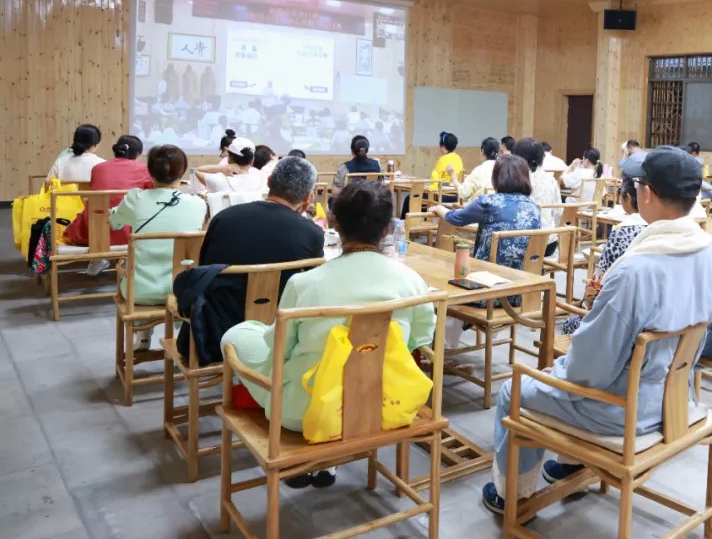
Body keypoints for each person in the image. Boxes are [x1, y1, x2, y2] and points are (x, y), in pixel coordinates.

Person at [481, 146, 712, 512]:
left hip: (624, 414)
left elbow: (588, 370)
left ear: (647, 193)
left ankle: (511, 496)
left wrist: (556, 371)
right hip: (680, 403)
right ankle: (571, 464)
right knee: (567, 377)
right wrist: (687, 362)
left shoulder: (634, 272)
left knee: (515, 389)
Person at [221, 180, 435, 488]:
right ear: (387, 229)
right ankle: (329, 463)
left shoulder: (304, 284)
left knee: (238, 335)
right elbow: (419, 339)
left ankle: (313, 453)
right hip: (386, 404)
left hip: (303, 412)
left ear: (335, 223)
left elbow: (279, 350)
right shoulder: (412, 282)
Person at [109, 145, 208, 349]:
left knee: (128, 264)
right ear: (183, 171)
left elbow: (114, 223)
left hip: (139, 291)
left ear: (150, 171)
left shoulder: (135, 199)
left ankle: (143, 334)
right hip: (183, 290)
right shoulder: (197, 204)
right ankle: (183, 341)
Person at [199, 156, 325, 292]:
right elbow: (313, 281)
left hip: (218, 304)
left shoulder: (223, 218)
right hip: (281, 305)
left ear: (269, 181)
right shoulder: (312, 232)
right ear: (307, 197)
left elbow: (204, 267)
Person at [432, 155, 541, 302]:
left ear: (496, 177)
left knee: (439, 275)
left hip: (486, 290)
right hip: (523, 293)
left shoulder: (489, 202)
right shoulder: (533, 207)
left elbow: (457, 218)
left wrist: (439, 209)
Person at [562, 177, 646, 335]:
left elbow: (599, 281)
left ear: (627, 198)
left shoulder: (621, 232)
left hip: (615, 320)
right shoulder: (656, 229)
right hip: (644, 317)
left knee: (570, 323)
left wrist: (585, 306)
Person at [64, 135, 154, 260]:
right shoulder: (144, 169)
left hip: (95, 231)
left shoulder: (98, 168)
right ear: (138, 154)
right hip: (129, 233)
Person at [512, 138, 563, 257]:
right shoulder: (551, 180)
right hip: (549, 243)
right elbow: (558, 213)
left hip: (524, 243)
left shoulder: (516, 179)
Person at [196, 137, 269, 194]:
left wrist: (221, 168)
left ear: (229, 158)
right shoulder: (263, 184)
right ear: (252, 161)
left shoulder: (218, 181)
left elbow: (197, 171)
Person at [454, 136, 499, 203]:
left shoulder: (479, 170)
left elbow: (463, 192)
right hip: (500, 206)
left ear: (482, 151)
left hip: (481, 207)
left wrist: (453, 177)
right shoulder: (504, 168)